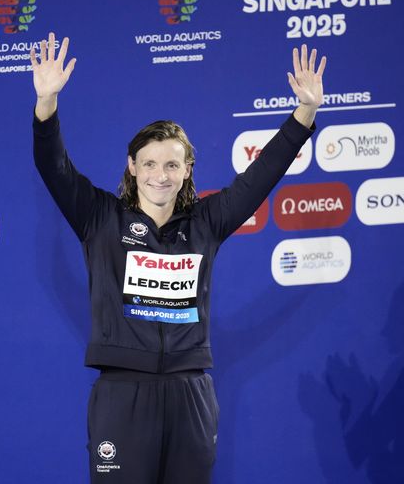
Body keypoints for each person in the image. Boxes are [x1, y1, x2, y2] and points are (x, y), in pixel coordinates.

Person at [31, 32, 326, 483]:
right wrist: (46, 104)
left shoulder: (206, 222)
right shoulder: (100, 218)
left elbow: (260, 177)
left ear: (187, 169)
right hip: (123, 394)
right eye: (149, 164)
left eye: (172, 164)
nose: (160, 175)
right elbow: (54, 167)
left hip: (191, 393)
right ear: (132, 167)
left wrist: (304, 113)